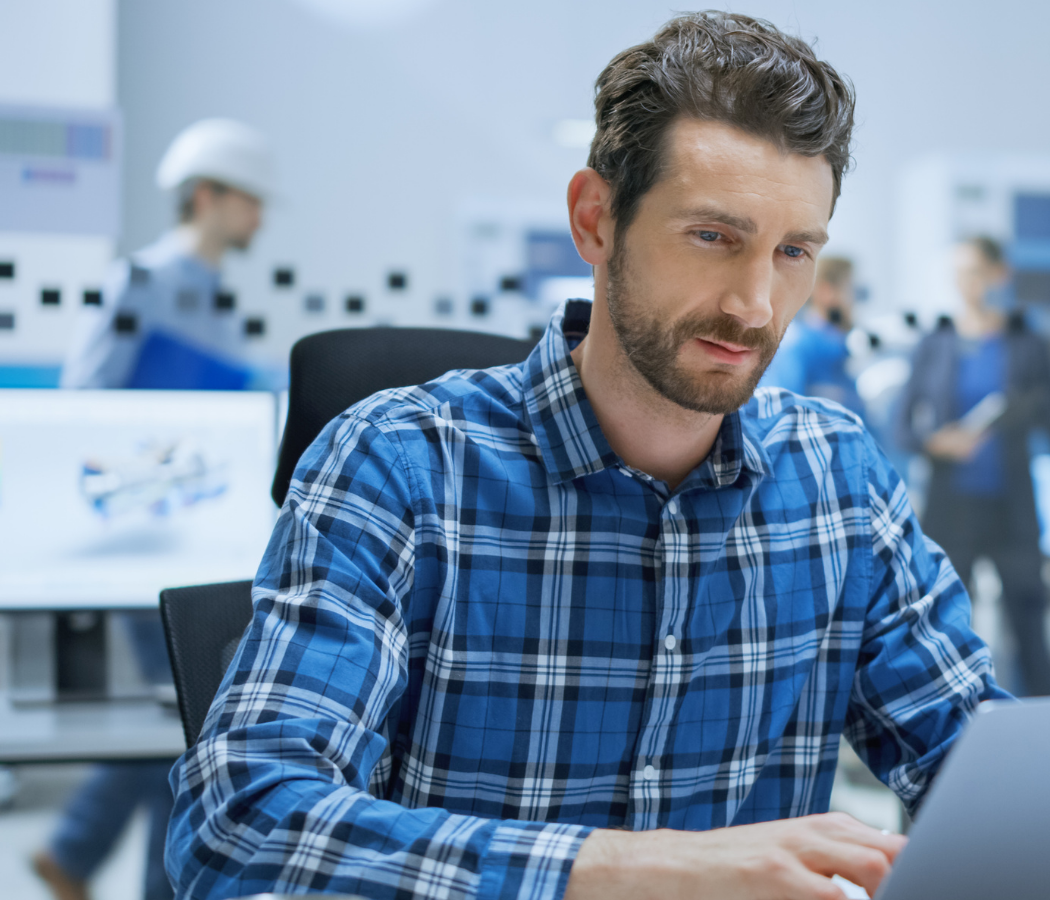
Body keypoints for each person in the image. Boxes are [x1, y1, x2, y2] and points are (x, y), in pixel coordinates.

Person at [166, 14, 1003, 900]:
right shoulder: (398, 465)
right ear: (595, 219)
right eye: (715, 236)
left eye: (793, 251)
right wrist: (635, 870)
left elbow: (980, 769)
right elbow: (238, 822)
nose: (757, 306)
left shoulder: (838, 481)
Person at [32, 119, 273, 900]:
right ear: (207, 196)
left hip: (200, 538)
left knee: (179, 720)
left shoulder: (218, 300)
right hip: (141, 537)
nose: (259, 218)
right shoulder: (139, 282)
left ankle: (81, 857)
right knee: (178, 721)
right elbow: (84, 401)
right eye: (248, 200)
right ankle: (94, 861)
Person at [896, 236, 1050, 698]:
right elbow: (900, 426)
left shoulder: (1027, 346)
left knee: (1031, 623)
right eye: (959, 274)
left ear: (1000, 275)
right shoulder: (936, 344)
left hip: (1013, 511)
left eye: (976, 273)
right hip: (952, 511)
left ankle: (1048, 740)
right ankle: (950, 737)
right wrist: (936, 443)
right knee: (948, 626)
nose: (967, 285)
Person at [759, 255, 865, 416]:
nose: (854, 301)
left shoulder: (841, 348)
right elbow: (780, 414)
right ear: (826, 291)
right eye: (851, 290)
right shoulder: (797, 347)